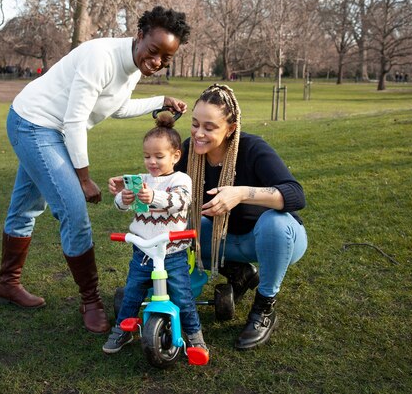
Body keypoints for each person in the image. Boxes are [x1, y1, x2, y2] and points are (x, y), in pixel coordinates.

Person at [0, 6, 192, 335]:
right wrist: (83, 178)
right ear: (140, 35)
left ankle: (7, 284)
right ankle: (91, 300)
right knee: (74, 212)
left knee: (26, 207)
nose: (156, 61)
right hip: (34, 124)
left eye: (165, 58)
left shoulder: (131, 69)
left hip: (49, 129)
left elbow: (116, 108)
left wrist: (162, 99)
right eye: (154, 51)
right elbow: (75, 121)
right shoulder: (102, 57)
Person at [110, 84, 307, 349]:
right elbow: (160, 180)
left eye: (209, 127)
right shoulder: (190, 151)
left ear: (231, 127)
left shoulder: (252, 148)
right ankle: (237, 272)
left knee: (275, 223)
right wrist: (131, 186)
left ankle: (264, 307)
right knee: (180, 228)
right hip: (219, 238)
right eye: (194, 124)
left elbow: (295, 194)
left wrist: (241, 194)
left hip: (271, 240)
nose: (199, 133)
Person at [102, 113, 207, 354]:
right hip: (143, 251)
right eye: (147, 156)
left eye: (159, 156)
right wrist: (123, 198)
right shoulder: (141, 180)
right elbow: (121, 206)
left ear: (175, 156)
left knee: (182, 295)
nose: (152, 162)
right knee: (132, 292)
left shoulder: (181, 179)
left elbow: (180, 201)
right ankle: (123, 330)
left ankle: (194, 335)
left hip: (173, 252)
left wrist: (154, 197)